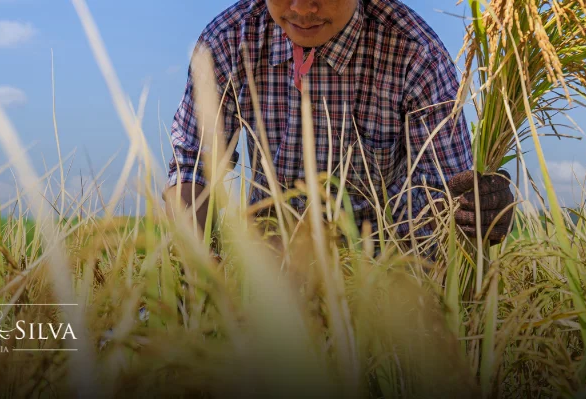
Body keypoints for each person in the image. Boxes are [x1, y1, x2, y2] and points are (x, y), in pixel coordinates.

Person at [163, 0, 515, 248]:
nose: (301, 8)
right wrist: (203, 271)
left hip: (380, 277)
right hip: (268, 268)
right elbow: (192, 167)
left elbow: (441, 197)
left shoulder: (415, 55)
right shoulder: (230, 40)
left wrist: (479, 211)